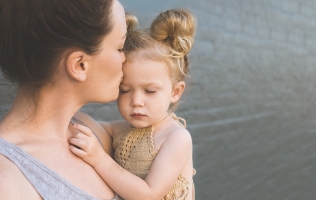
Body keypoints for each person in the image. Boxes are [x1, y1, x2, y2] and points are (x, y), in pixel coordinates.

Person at [0, 0, 128, 199]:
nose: (125, 59)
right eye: (120, 47)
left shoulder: (88, 131)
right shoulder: (8, 181)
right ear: (79, 65)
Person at [69, 9, 197, 200]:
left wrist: (99, 159)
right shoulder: (122, 130)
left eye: (150, 91)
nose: (136, 101)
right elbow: (87, 123)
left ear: (175, 92)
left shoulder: (176, 138)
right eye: (125, 90)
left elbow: (149, 194)